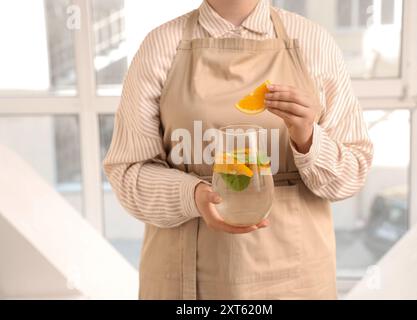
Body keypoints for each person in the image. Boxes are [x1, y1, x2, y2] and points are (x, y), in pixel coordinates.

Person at [103, 0, 373, 299]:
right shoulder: (161, 45)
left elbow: (352, 173)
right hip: (186, 285)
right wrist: (192, 195)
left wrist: (308, 139)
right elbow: (128, 172)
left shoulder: (312, 42)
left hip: (297, 281)